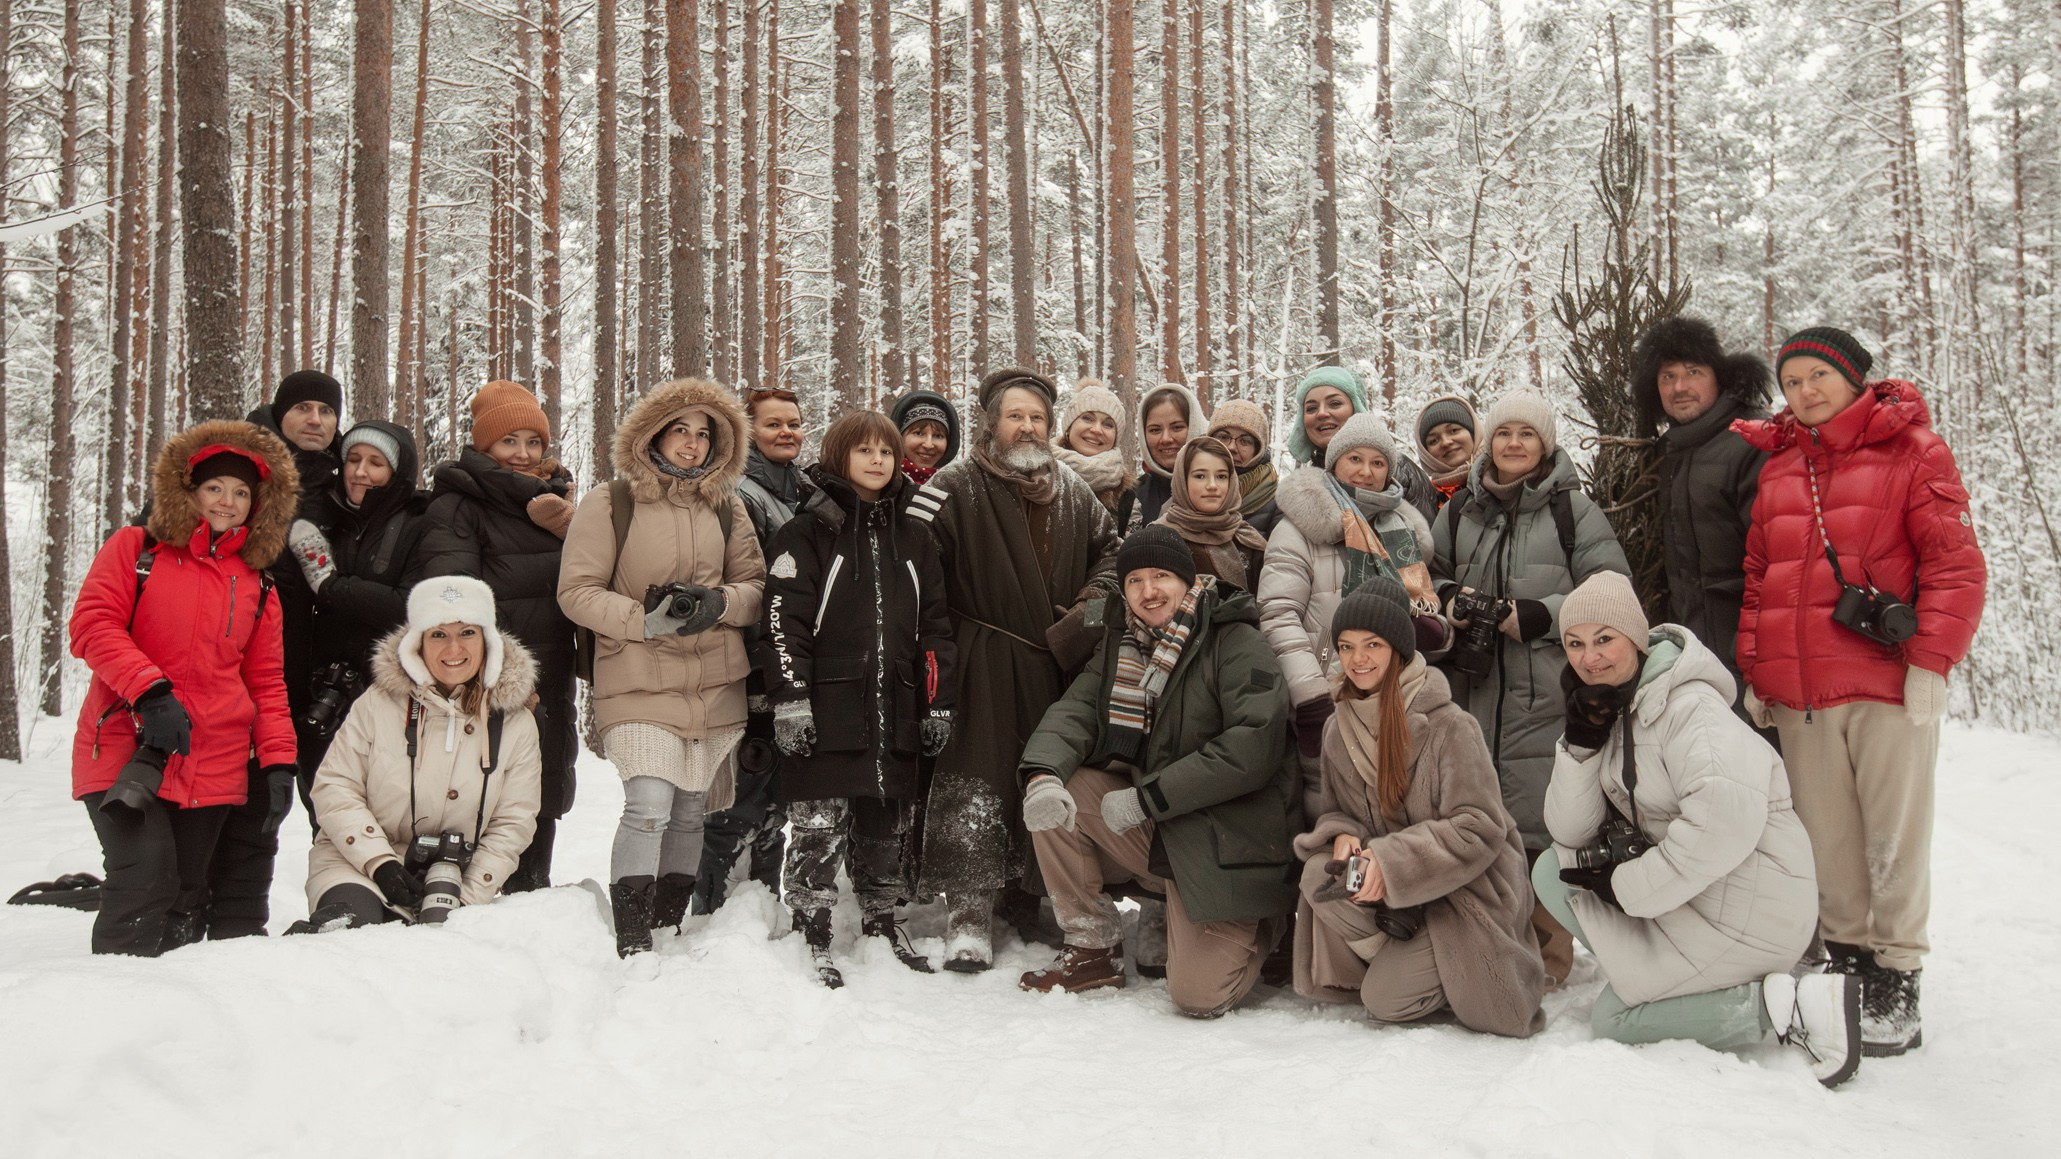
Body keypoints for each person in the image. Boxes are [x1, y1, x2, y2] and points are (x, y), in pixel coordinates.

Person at [1734, 327, 1986, 1057]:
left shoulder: (1913, 451)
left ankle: (1897, 971)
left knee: (1893, 834)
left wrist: (1931, 661)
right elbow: (1760, 577)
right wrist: (1757, 669)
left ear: (1853, 378)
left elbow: (1953, 564)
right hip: (1801, 692)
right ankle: (1846, 958)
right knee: (1827, 835)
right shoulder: (1782, 466)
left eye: (1819, 375)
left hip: (1882, 683)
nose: (1805, 391)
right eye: (1793, 380)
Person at [1536, 572, 1860, 1086]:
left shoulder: (1691, 707)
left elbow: (1722, 824)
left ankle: (1788, 1007)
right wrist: (1580, 745)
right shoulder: (1613, 709)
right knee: (1554, 871)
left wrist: (1628, 889)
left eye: (1604, 639)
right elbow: (1569, 833)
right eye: (1575, 643)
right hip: (1699, 898)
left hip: (1754, 906)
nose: (1589, 657)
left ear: (1637, 640)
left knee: (1615, 1019)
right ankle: (1670, 980)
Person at [1015, 527, 1297, 1015]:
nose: (1149, 591)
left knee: (1198, 996)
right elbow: (1076, 711)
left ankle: (1267, 921)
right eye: (1135, 581)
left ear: (1189, 582)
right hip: (1166, 832)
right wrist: (1041, 775)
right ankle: (1091, 947)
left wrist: (1148, 798)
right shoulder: (1123, 644)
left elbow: (1253, 747)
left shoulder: (1235, 640)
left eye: (1162, 576)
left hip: (1228, 841)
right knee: (1067, 791)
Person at [67, 420, 299, 956]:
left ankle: (171, 1020)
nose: (227, 501)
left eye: (242, 492)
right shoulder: (136, 549)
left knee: (188, 893)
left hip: (213, 757)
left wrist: (278, 761)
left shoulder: (258, 582)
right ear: (188, 490)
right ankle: (114, 998)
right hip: (128, 744)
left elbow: (265, 682)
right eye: (215, 487)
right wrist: (150, 692)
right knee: (146, 875)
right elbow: (92, 625)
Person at [918, 366, 1120, 972]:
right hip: (978, 657)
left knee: (1040, 780)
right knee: (975, 779)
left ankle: (1033, 900)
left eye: (1037, 417)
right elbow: (918, 572)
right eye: (1016, 415)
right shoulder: (954, 486)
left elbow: (1113, 558)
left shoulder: (1075, 492)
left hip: (1050, 662)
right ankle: (969, 913)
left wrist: (1085, 615)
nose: (1027, 426)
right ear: (992, 423)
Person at [558, 379, 767, 956]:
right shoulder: (611, 501)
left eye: (705, 435)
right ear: (654, 432)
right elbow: (576, 591)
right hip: (636, 674)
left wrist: (716, 604)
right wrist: (645, 619)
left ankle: (668, 925)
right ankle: (631, 934)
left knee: (690, 810)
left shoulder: (729, 506)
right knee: (649, 803)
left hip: (713, 679)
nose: (693, 445)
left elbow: (755, 588)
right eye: (682, 430)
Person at [1431, 389, 1630, 988]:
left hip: (1542, 690)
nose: (1513, 444)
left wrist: (1541, 614)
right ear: (1488, 441)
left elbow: (1613, 592)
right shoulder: (1461, 508)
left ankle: (1546, 960)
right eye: (1504, 433)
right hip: (1471, 687)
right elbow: (1427, 574)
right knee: (1474, 815)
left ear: (1545, 444)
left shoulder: (1573, 511)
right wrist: (1449, 602)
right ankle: (1484, 946)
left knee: (1542, 825)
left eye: (1527, 434)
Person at [1292, 583, 1544, 1036]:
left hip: (1464, 891)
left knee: (1384, 1001)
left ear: (1399, 651)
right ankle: (1403, 955)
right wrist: (1342, 833)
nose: (1358, 658)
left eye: (1373, 645)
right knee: (1317, 874)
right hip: (1400, 894)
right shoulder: (1337, 729)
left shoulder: (1450, 725)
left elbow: (1479, 828)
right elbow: (1336, 808)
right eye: (1346, 646)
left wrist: (1390, 863)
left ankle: (1439, 972)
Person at [761, 411, 956, 985]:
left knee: (884, 823)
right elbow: (781, 623)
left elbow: (935, 630)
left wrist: (935, 703)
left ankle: (880, 915)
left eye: (887, 452)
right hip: (827, 705)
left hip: (894, 704)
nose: (878, 461)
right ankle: (812, 922)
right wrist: (792, 699)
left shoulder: (915, 537)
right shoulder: (805, 531)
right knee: (819, 825)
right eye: (864, 451)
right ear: (839, 456)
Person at [294, 576, 543, 930]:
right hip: (357, 864)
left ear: (488, 640)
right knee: (352, 935)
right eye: (438, 634)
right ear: (418, 643)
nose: (453, 649)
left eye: (467, 633)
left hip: (455, 878)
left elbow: (513, 823)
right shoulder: (379, 703)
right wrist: (380, 862)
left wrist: (467, 899)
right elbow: (335, 787)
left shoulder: (515, 723)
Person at [201, 369, 346, 939]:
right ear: (279, 411)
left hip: (314, 671)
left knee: (321, 796)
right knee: (234, 795)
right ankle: (215, 916)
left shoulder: (342, 479)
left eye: (326, 411)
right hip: (233, 668)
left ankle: (343, 906)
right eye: (304, 408)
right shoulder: (238, 468)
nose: (315, 420)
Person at [419, 380, 579, 893]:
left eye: (534, 441)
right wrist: (505, 679)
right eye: (510, 441)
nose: (524, 453)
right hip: (488, 684)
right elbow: (455, 600)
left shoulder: (557, 505)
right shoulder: (458, 505)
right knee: (482, 790)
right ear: (484, 445)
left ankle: (531, 895)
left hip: (552, 675)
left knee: (540, 789)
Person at [1260, 412, 1441, 823]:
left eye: (1378, 463)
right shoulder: (1299, 530)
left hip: (1398, 698)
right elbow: (1277, 615)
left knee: (1396, 810)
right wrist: (1309, 698)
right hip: (1330, 693)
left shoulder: (1402, 531)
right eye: (1354, 459)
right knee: (1330, 811)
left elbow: (1422, 605)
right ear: (1335, 463)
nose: (1366, 471)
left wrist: (1434, 629)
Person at [281, 422, 432, 814]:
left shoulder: (421, 521)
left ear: (397, 472)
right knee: (326, 814)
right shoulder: (329, 519)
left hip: (394, 700)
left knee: (389, 818)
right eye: (353, 459)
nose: (360, 471)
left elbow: (412, 604)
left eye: (375, 463)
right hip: (323, 696)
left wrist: (331, 585)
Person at [696, 385, 806, 914]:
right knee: (741, 792)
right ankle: (712, 911)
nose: (787, 432)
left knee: (775, 796)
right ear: (748, 433)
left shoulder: (799, 490)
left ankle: (760, 908)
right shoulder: (738, 493)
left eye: (794, 423)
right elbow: (747, 581)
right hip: (750, 663)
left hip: (788, 661)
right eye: (773, 424)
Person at [1631, 316, 1773, 702]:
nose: (1680, 387)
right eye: (1667, 376)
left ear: (1720, 376)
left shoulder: (1752, 441)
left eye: (1693, 372)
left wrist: (1761, 659)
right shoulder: (1674, 451)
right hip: (1696, 653)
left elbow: (1777, 562)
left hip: (1751, 657)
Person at [1287, 366, 1436, 521]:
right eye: (1311, 408)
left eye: (1335, 403)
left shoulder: (1402, 472)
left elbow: (1428, 540)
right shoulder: (1303, 487)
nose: (1322, 413)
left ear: (1357, 409)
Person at [1153, 436, 1268, 593]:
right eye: (1200, 476)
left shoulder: (1246, 537)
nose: (1212, 485)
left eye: (1221, 476)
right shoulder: (1159, 538)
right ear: (1182, 481)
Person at [1125, 382, 1202, 532]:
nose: (1166, 439)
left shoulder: (1222, 488)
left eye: (1177, 427)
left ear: (1195, 427)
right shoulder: (1132, 497)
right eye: (1155, 430)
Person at [1051, 379, 1131, 518]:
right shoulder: (1037, 477)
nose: (1097, 430)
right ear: (1069, 426)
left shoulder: (1128, 496)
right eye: (1087, 418)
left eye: (1108, 425)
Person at [1204, 398, 1280, 536]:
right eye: (1223, 437)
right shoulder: (1188, 484)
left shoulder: (1276, 501)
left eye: (1245, 441)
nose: (1231, 447)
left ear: (1258, 449)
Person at [1413, 395, 1478, 512]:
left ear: (1473, 433)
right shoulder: (1426, 501)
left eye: (1454, 430)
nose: (1446, 442)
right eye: (1434, 440)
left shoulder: (1503, 478)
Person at [892, 389, 960, 485]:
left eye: (938, 436)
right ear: (899, 437)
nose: (928, 445)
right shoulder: (880, 484)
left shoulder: (958, 488)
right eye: (918, 433)